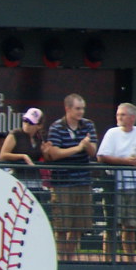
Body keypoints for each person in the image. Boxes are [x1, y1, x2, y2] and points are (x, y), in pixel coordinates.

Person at [44, 93, 98, 261]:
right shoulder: (56, 127)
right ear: (67, 108)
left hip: (83, 181)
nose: (81, 112)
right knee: (61, 226)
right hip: (62, 183)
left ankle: (69, 257)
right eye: (77, 108)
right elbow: (55, 154)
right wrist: (78, 147)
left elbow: (93, 152)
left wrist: (87, 146)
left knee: (78, 225)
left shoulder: (88, 125)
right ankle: (60, 260)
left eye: (82, 108)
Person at [97, 103, 136, 261]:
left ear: (132, 117)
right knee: (111, 225)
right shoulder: (112, 133)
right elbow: (102, 156)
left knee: (130, 225)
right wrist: (126, 162)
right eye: (118, 114)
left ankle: (129, 260)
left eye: (122, 115)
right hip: (114, 185)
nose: (119, 117)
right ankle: (107, 260)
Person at [0, 107, 52, 205]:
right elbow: (3, 155)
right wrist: (22, 156)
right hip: (18, 180)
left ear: (39, 126)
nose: (27, 124)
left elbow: (46, 159)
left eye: (31, 122)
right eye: (25, 120)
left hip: (35, 182)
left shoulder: (39, 138)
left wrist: (45, 152)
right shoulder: (15, 134)